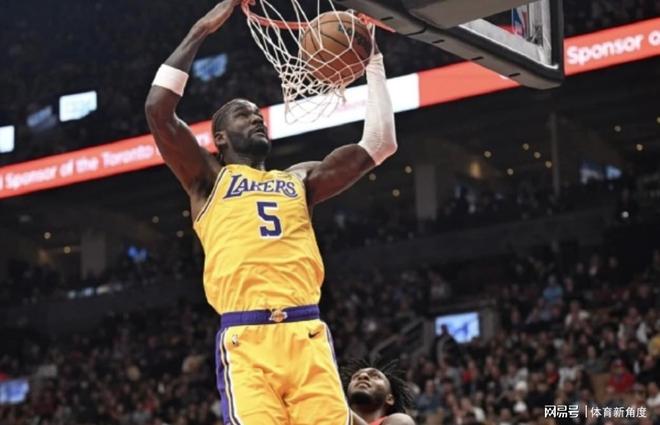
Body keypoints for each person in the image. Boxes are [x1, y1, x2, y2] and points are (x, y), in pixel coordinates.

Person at [144, 0, 397, 423]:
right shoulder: (207, 179)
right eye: (243, 115)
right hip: (247, 339)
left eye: (258, 114)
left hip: (307, 333)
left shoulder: (300, 179)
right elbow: (158, 110)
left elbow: (380, 144)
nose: (256, 118)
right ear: (219, 138)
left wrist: (374, 61)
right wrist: (201, 29)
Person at [344, 360, 415, 425]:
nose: (363, 376)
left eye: (375, 376)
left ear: (390, 399)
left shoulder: (401, 420)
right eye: (355, 377)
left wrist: (341, 407)